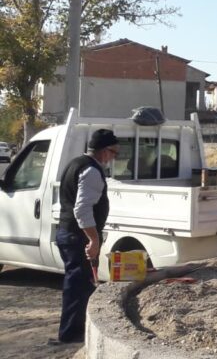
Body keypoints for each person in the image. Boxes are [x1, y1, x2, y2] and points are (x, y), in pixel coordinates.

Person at [53, 128, 119, 345]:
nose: (113, 158)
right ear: (104, 151)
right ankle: (71, 334)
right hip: (78, 236)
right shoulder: (91, 171)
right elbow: (82, 210)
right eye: (114, 152)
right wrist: (93, 240)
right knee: (78, 286)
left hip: (68, 233)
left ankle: (76, 330)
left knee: (80, 284)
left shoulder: (75, 164)